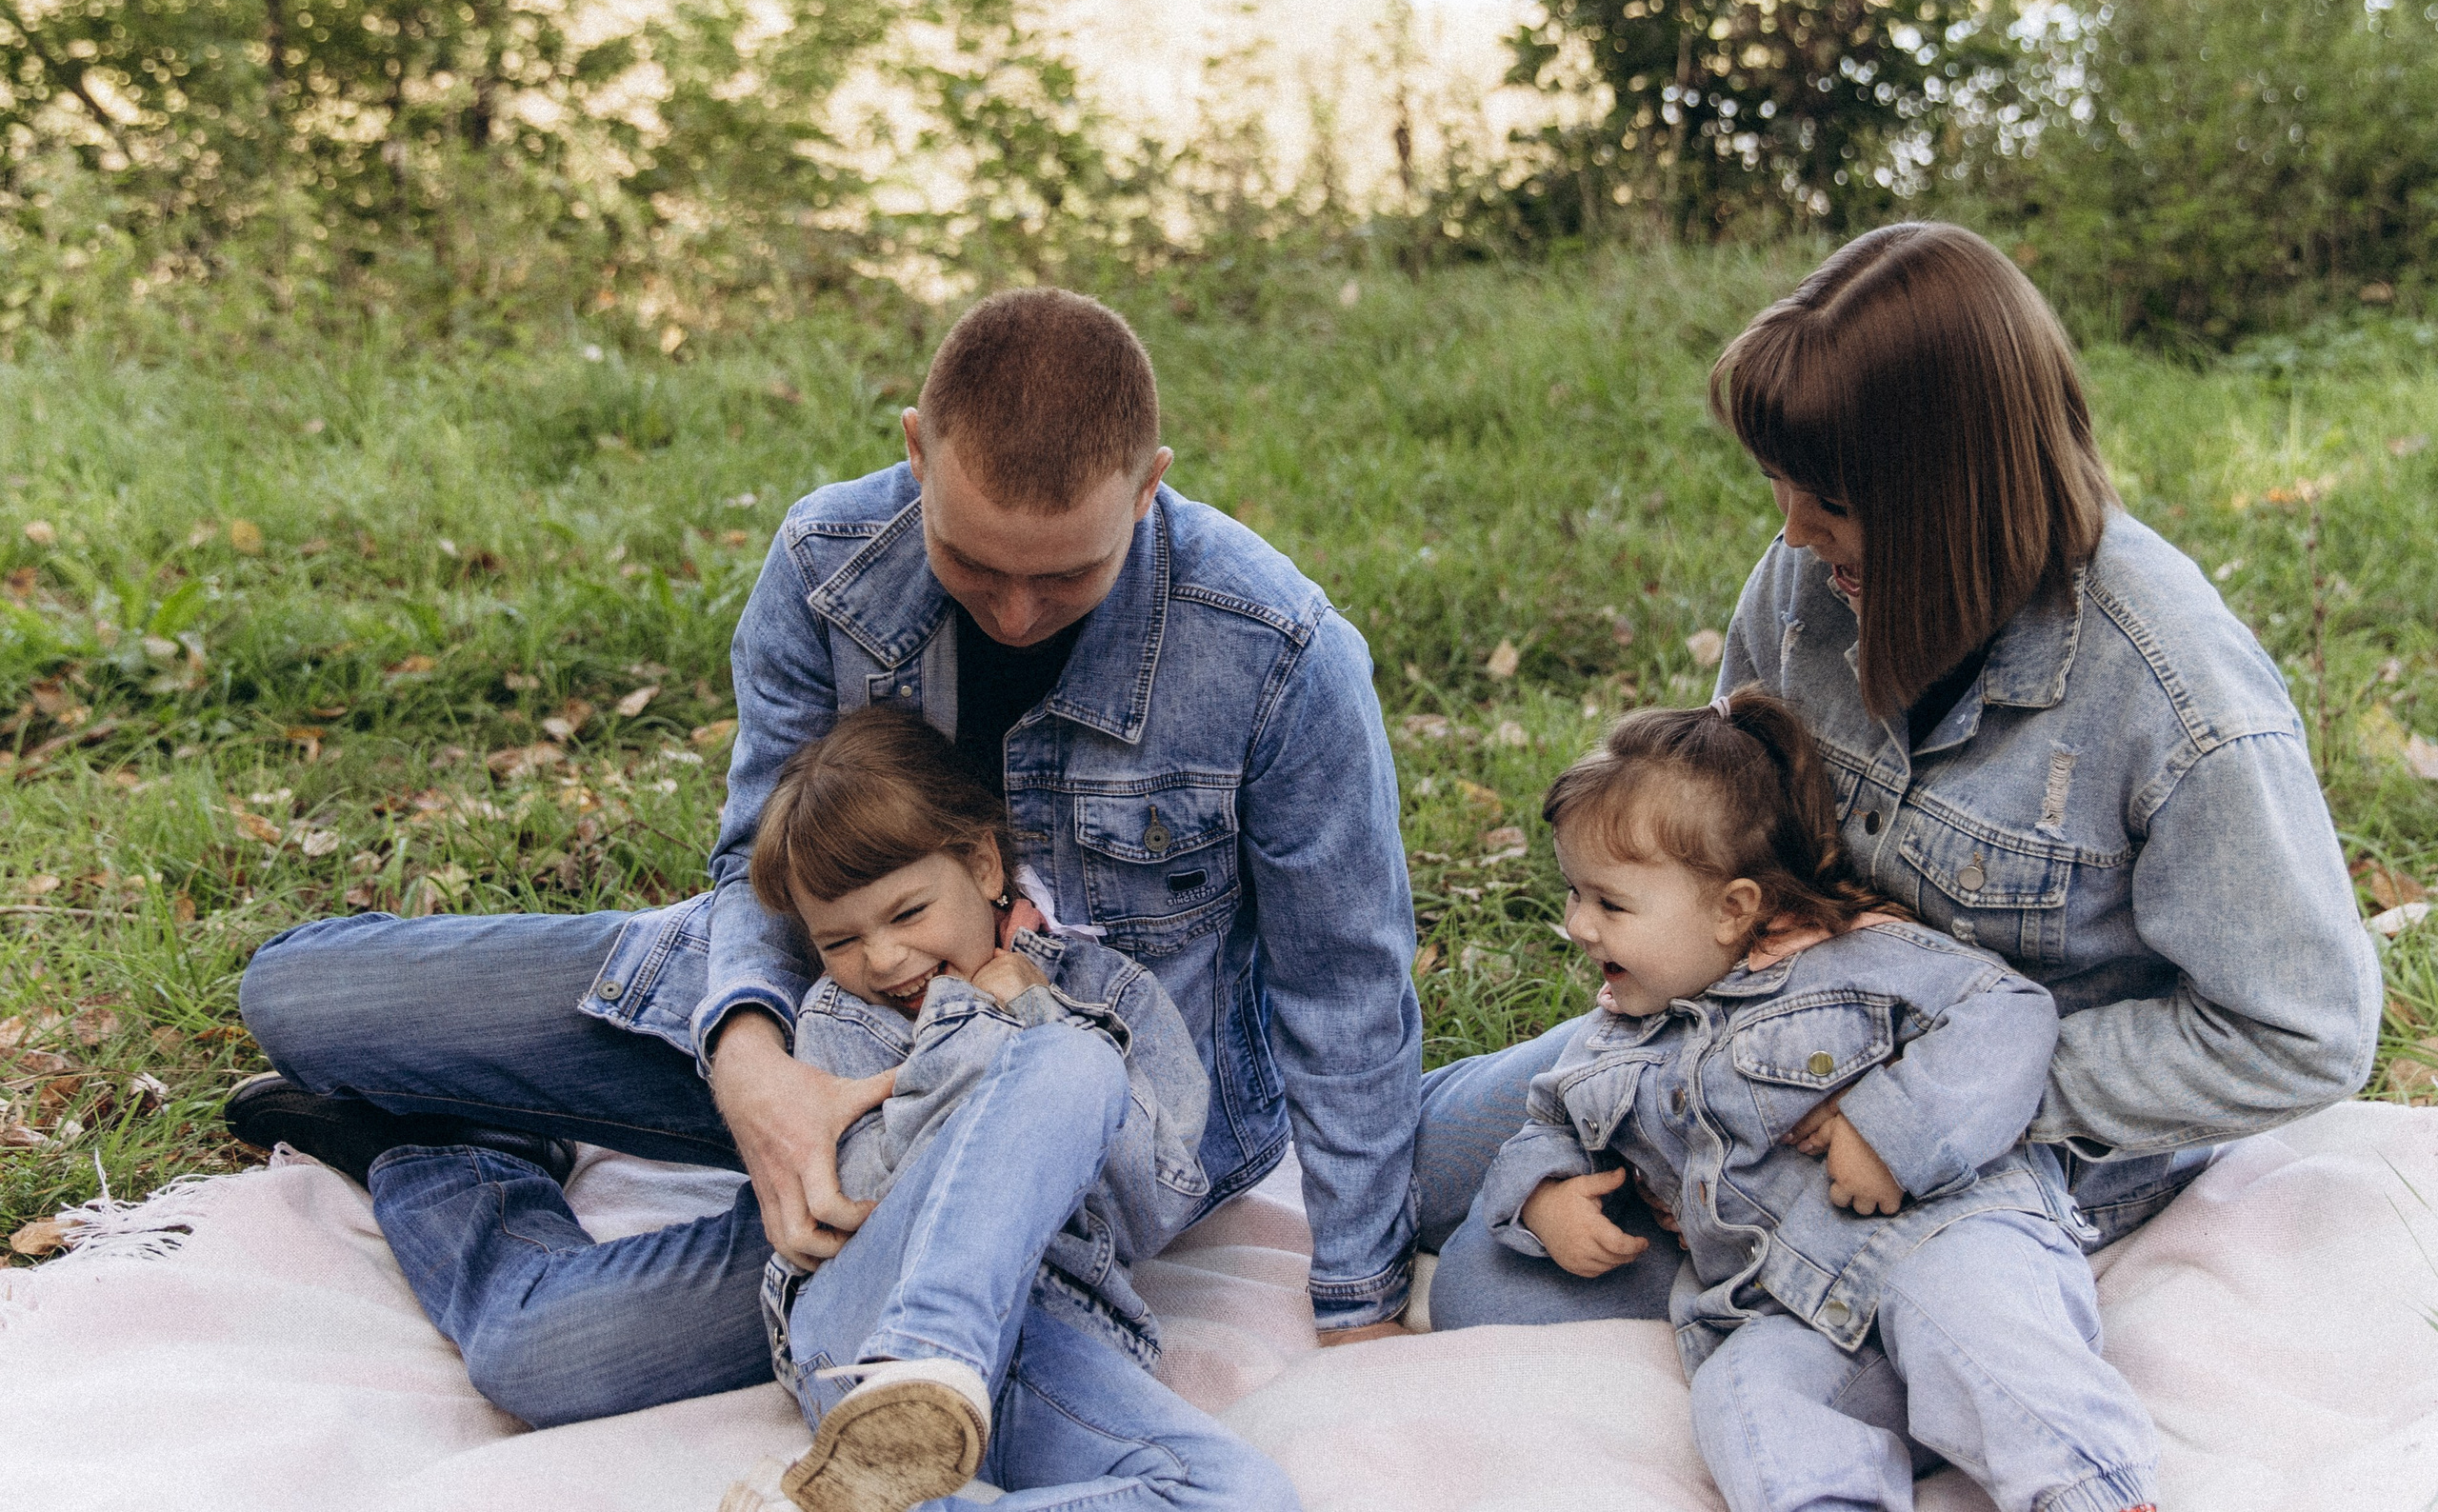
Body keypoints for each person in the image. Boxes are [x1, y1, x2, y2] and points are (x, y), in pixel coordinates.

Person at [228, 287, 1420, 1429]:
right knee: (298, 997)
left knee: (544, 1354)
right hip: (810, 1003)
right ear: (916, 452)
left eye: (1065, 574)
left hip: (1001, 1137)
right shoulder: (826, 561)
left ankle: (449, 1152)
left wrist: (1359, 1304)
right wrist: (752, 1064)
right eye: (973, 562)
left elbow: (1346, 985)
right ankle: (545, 1102)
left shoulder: (1279, 651)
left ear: (1149, 488)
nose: (1013, 612)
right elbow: (752, 858)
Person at [1416, 220, 2383, 1329]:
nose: (1791, 534)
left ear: (1956, 497)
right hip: (1762, 1028)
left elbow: (2304, 1034)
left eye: (1829, 502)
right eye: (1780, 486)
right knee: (1420, 1153)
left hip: (1999, 1137)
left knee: (1491, 1292)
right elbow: (1728, 830)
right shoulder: (1810, 587)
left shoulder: (2179, 701)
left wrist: (1928, 1102)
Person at [1480, 690, 2158, 1512]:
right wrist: (1543, 1196)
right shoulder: (1609, 1041)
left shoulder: (1848, 958)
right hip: (1781, 1306)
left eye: (1610, 903)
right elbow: (1547, 1120)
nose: (1579, 926)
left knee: (1970, 1322)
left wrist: (1893, 1131)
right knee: (1744, 1395)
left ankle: (2090, 1493)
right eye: (1574, 894)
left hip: (1940, 1231)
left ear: (1733, 908)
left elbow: (2007, 1011)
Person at [727, 706, 1291, 1512]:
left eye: (907, 912)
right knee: (1071, 1057)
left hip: (1045, 1335)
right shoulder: (840, 1018)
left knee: (1246, 1495)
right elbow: (861, 1204)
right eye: (839, 941)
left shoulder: (1109, 992)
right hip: (861, 1337)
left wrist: (1038, 1014)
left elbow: (1151, 1208)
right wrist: (969, 1026)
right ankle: (922, 1356)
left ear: (985, 864)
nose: (882, 958)